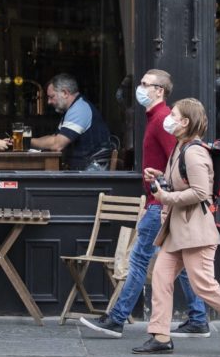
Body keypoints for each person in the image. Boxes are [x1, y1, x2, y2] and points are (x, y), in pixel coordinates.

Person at [80, 69, 210, 338]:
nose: (139, 88)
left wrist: (162, 195)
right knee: (181, 263)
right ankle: (198, 318)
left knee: (138, 259)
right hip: (162, 201)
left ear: (159, 91)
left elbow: (178, 160)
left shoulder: (163, 119)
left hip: (159, 202)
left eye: (144, 84)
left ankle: (116, 319)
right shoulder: (156, 119)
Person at [132, 98, 220, 355]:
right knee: (161, 277)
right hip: (178, 230)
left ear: (185, 122)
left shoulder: (193, 152)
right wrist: (160, 177)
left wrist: (165, 198)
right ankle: (160, 336)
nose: (169, 118)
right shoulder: (180, 147)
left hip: (195, 231)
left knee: (203, 285)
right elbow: (182, 182)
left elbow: (201, 192)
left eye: (174, 114)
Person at [31, 73, 111, 170]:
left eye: (51, 97)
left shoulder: (79, 109)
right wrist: (28, 141)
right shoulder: (74, 108)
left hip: (90, 174)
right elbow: (54, 138)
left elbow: (57, 144)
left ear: (65, 93)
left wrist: (26, 142)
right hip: (83, 171)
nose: (49, 102)